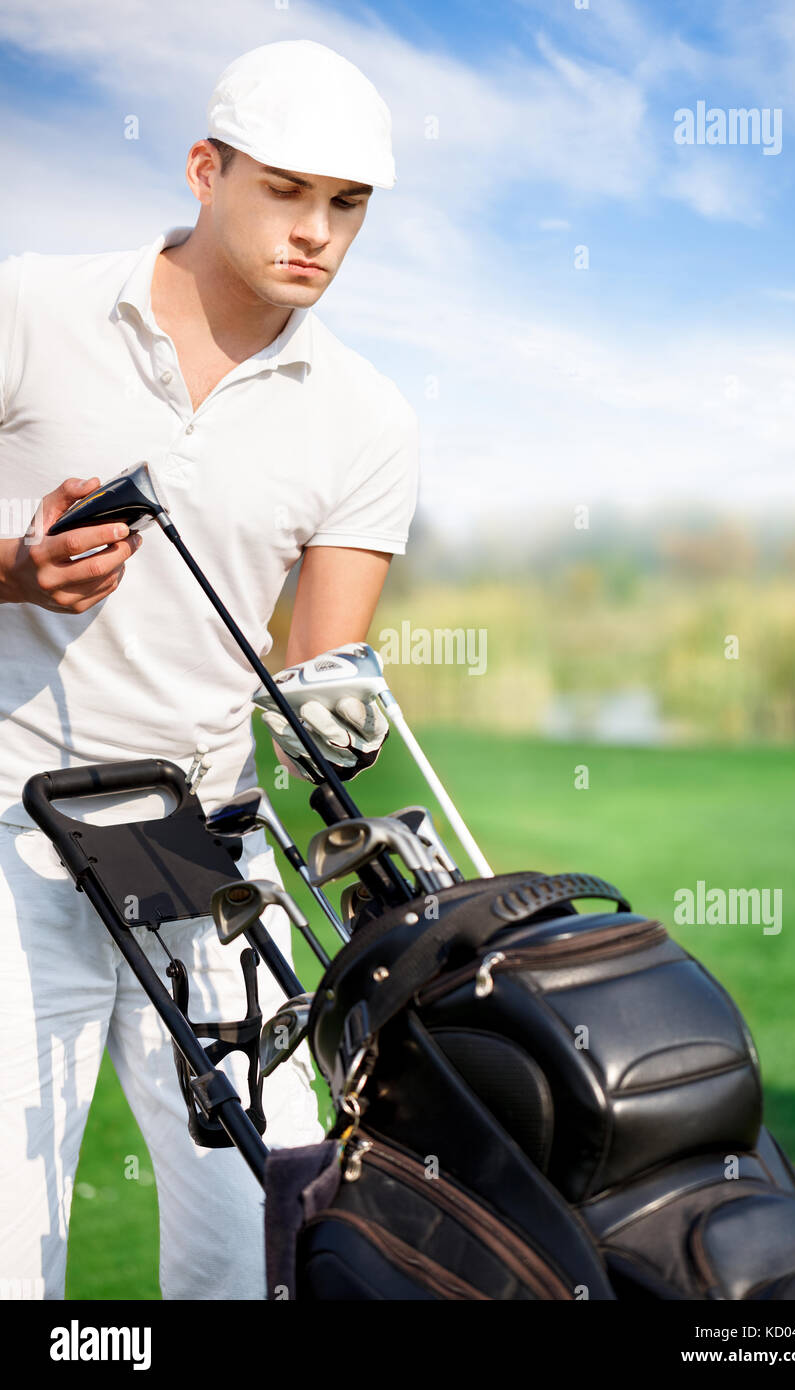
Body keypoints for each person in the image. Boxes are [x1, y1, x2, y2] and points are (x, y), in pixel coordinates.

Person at [0, 39, 419, 1300]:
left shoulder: (366, 416)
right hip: (14, 833)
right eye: (287, 190)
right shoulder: (30, 305)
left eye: (347, 204)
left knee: (258, 1243)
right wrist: (14, 567)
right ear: (203, 168)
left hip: (208, 853)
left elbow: (319, 672)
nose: (319, 233)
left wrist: (338, 718)